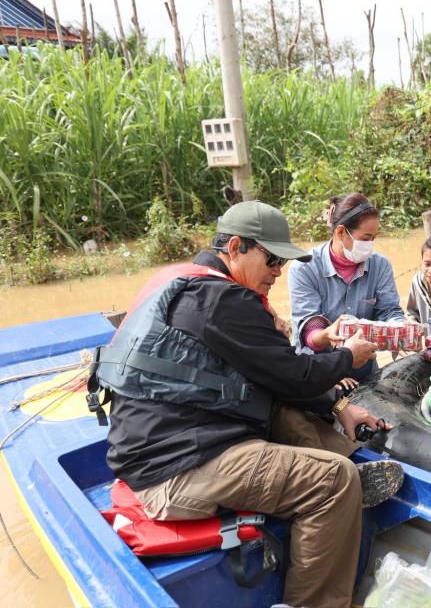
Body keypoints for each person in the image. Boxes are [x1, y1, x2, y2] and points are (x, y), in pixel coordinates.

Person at [89, 201, 404, 608]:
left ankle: (344, 471)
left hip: (166, 446)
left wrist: (338, 407)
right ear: (235, 247)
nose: (278, 270)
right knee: (334, 481)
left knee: (281, 409)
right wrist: (349, 358)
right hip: (176, 472)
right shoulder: (224, 302)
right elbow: (294, 374)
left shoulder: (189, 283)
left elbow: (275, 379)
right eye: (272, 259)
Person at [289, 193, 404, 381]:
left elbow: (389, 311)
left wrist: (401, 329)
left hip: (365, 369)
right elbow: (308, 329)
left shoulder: (380, 265)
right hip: (318, 371)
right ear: (341, 232)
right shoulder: (305, 268)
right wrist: (327, 334)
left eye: (374, 238)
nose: (370, 245)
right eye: (366, 238)